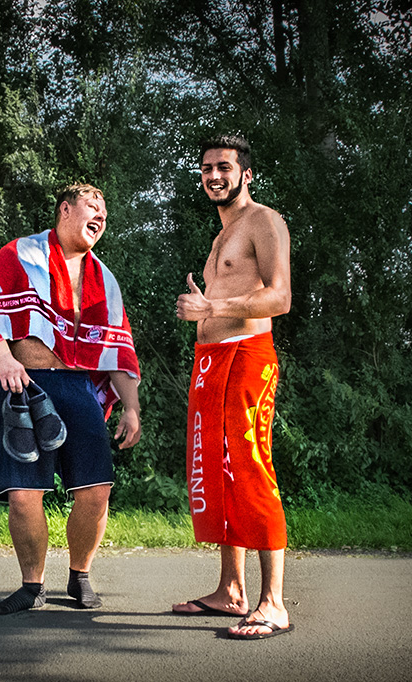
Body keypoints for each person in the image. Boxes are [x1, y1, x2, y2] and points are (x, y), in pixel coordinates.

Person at [0, 184, 142, 614]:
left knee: (96, 490)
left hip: (79, 386)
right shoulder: (18, 255)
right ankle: (32, 586)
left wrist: (132, 406)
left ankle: (80, 575)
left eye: (105, 212)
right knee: (25, 493)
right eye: (91, 208)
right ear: (65, 210)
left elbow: (116, 349)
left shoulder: (104, 278)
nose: (99, 217)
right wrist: (3, 360)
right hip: (23, 382)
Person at [171, 135, 294, 640]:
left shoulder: (263, 220)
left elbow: (280, 296)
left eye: (224, 167)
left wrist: (213, 309)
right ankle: (231, 590)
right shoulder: (221, 236)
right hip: (211, 361)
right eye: (206, 168)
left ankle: (274, 603)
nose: (213, 175)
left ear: (246, 174)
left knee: (249, 468)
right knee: (217, 475)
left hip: (247, 358)